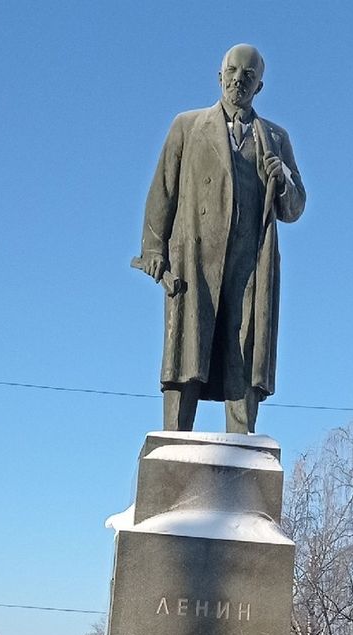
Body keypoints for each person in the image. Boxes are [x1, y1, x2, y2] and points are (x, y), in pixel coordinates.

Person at [137, 43, 306, 434]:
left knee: (244, 351)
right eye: (232, 71)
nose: (238, 81)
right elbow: (163, 189)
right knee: (187, 351)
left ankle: (242, 446)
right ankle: (175, 441)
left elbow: (294, 210)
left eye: (248, 76)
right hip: (195, 256)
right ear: (219, 75)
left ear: (259, 87)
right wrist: (153, 249)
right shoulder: (187, 126)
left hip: (251, 263)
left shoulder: (276, 139)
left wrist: (283, 180)